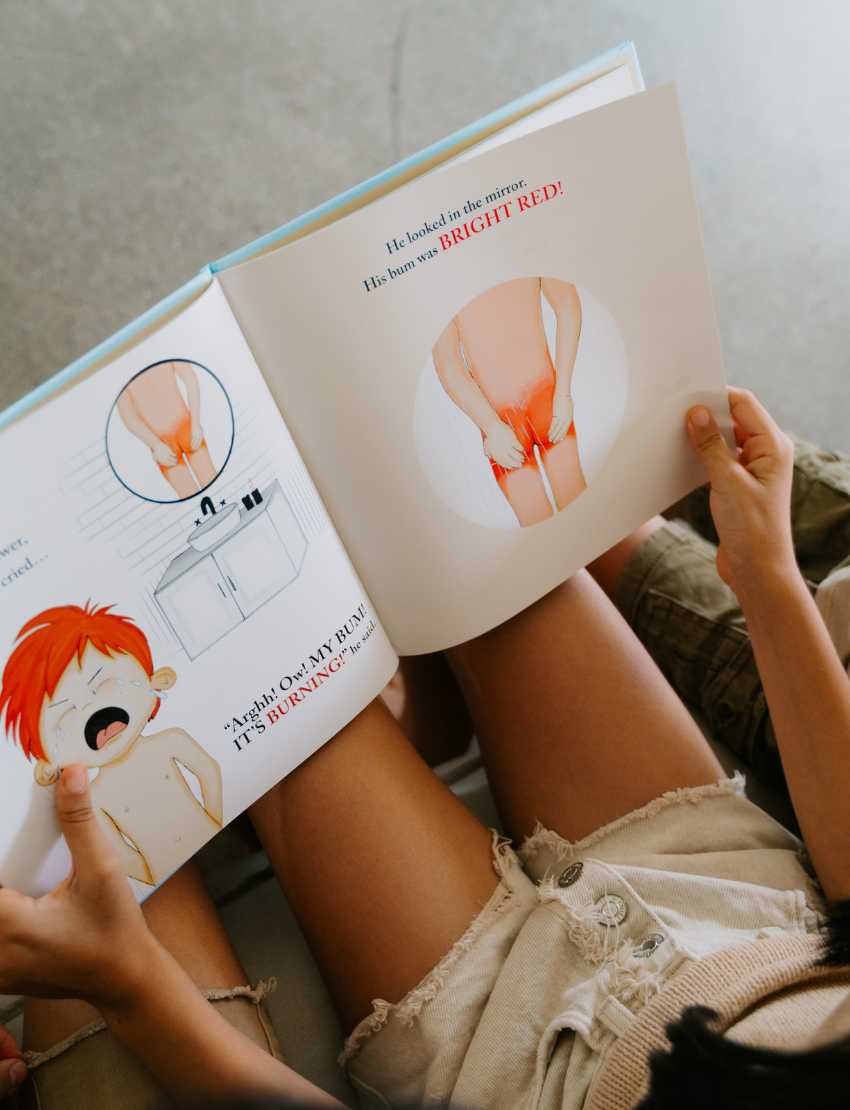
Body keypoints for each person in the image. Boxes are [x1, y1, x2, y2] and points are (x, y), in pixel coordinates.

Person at [2, 387, 850, 1109]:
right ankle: (417, 710)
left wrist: (134, 987)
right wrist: (766, 572)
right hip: (740, 909)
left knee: (257, 692)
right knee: (484, 547)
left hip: (501, 1052)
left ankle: (384, 724)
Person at [0, 603, 223, 886]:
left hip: (208, 830)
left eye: (107, 685)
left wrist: (215, 821)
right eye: (66, 719)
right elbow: (118, 854)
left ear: (159, 680)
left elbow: (209, 773)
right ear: (46, 769)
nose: (94, 714)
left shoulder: (171, 741)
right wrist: (152, 874)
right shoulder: (93, 799)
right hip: (162, 873)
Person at [432, 277, 586, 526]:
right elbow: (567, 305)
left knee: (543, 525)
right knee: (577, 509)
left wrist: (491, 426)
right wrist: (563, 391)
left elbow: (449, 365)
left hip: (502, 419)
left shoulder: (438, 284)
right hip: (543, 399)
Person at [116, 361, 218, 498]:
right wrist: (195, 423)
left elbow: (128, 416)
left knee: (203, 486)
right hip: (172, 435)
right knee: (203, 486)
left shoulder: (121, 372)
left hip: (170, 436)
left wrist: (195, 424)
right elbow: (190, 378)